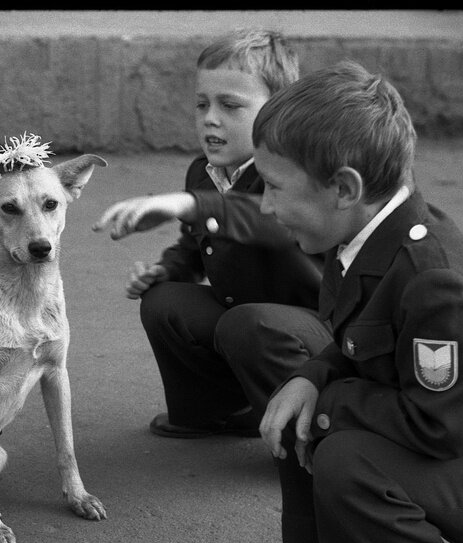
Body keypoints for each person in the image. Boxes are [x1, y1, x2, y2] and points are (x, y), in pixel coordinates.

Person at [255, 61, 463, 543]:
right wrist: (312, 377)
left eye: (273, 186)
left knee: (344, 448)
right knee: (304, 404)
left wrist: (332, 400)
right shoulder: (367, 236)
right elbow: (358, 344)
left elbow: (442, 428)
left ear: (343, 188)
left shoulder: (434, 280)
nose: (264, 206)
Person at [93, 29, 330, 439]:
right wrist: (168, 269)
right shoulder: (203, 172)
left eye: (230, 105)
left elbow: (270, 223)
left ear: (279, 110)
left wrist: (193, 205)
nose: (210, 118)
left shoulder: (297, 169)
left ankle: (302, 435)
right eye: (202, 104)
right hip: (251, 324)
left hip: (316, 336)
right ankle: (218, 412)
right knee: (165, 302)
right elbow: (195, 244)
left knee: (249, 322)